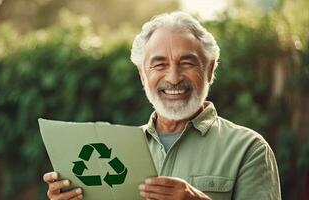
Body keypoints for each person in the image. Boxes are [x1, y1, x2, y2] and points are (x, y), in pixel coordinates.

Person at [43, 11, 281, 200]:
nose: (174, 77)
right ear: (142, 75)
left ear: (209, 69)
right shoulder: (117, 149)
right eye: (159, 65)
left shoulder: (249, 150)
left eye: (187, 63)